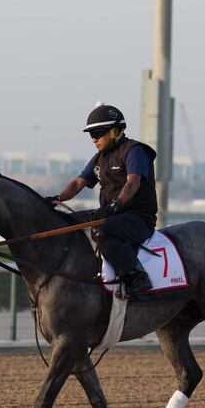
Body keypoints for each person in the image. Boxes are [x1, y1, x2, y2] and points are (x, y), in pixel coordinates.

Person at [45, 103, 157, 298]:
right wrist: (57, 198)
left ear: (116, 130)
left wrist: (117, 203)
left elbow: (133, 183)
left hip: (138, 218)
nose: (94, 139)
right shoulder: (99, 158)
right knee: (67, 223)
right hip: (110, 215)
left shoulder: (135, 151)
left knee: (102, 231)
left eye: (98, 133)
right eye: (91, 134)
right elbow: (78, 183)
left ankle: (136, 276)